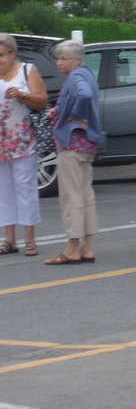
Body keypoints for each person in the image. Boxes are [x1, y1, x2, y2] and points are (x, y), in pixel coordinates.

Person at [45, 40, 101, 265]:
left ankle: (72, 249)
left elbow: (83, 96)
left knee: (71, 197)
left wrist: (71, 116)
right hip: (87, 143)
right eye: (58, 58)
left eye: (63, 58)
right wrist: (59, 110)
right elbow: (85, 95)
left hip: (72, 143)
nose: (59, 63)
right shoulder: (87, 74)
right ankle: (87, 247)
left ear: (77, 60)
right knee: (86, 194)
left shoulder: (76, 77)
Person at [0, 33, 49, 257]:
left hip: (22, 140)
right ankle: (9, 240)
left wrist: (21, 95)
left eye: (1, 55)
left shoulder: (26, 71)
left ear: (12, 53)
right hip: (1, 142)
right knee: (4, 191)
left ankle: (30, 240)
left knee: (25, 189)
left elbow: (42, 100)